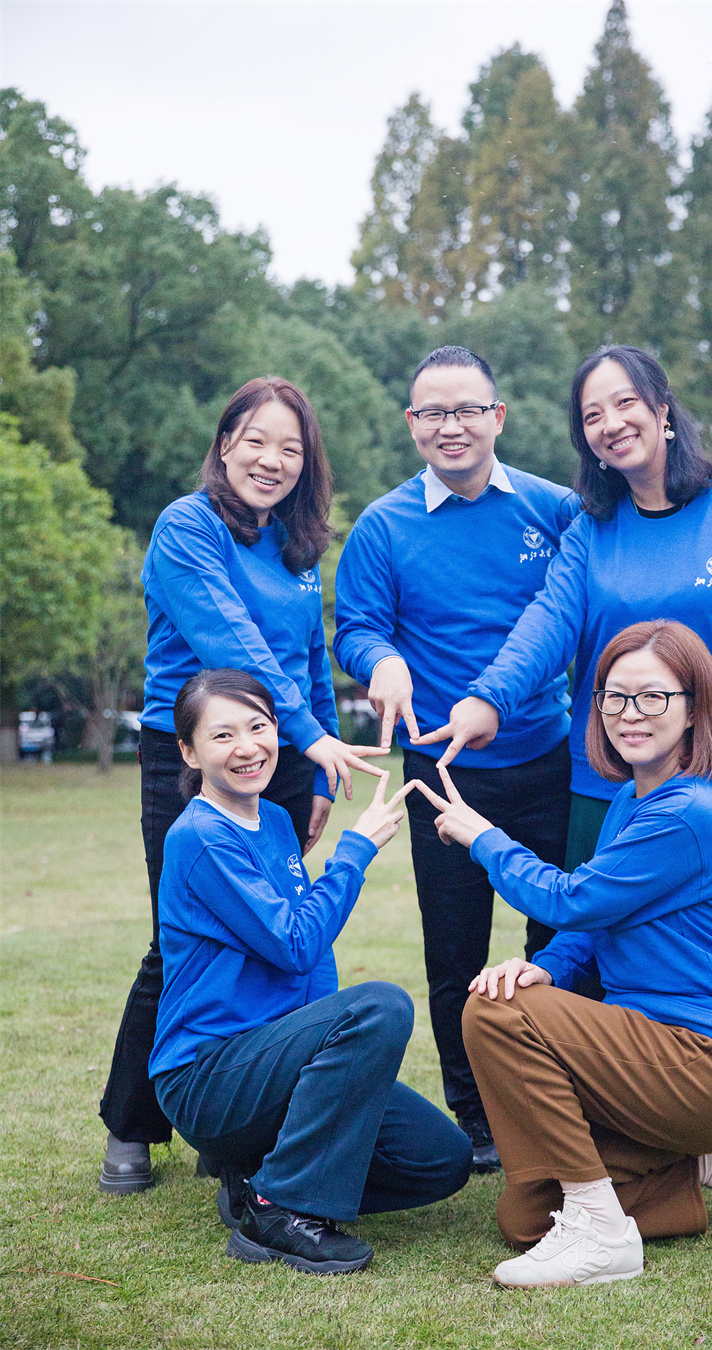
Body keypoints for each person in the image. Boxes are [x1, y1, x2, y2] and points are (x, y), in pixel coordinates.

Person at [421, 345, 712, 1048]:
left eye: (625, 403)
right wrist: (489, 699)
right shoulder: (590, 530)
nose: (611, 423)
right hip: (607, 787)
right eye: (592, 415)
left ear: (663, 411)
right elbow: (547, 624)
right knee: (596, 966)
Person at [413, 621, 712, 1288]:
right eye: (614, 696)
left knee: (496, 1012)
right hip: (648, 1053)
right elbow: (594, 922)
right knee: (527, 1215)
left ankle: (605, 1236)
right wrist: (545, 967)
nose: (629, 713)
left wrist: (485, 838)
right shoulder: (630, 799)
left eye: (653, 697)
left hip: (709, 1060)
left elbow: (573, 900)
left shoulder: (689, 811)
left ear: (694, 707)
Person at [99, 377, 386, 1194]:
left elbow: (307, 656)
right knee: (183, 937)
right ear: (225, 445)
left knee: (279, 931)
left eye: (291, 448)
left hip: (284, 752)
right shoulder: (188, 528)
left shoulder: (296, 544)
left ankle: (247, 1124)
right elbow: (234, 647)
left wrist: (317, 761)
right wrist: (312, 734)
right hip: (196, 751)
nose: (271, 460)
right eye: (256, 440)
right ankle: (132, 1125)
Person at [333, 346, 580, 1171]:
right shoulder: (383, 526)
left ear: (497, 417)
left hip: (549, 760)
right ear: (412, 424)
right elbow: (356, 627)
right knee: (454, 952)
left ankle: (561, 1093)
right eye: (433, 412)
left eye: (467, 409)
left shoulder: (554, 508)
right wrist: (380, 660)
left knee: (559, 935)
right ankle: (475, 1120)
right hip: (440, 777)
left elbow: (580, 615)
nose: (451, 426)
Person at [149, 668, 471, 1274]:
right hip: (208, 1076)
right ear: (189, 752)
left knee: (441, 1160)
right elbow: (295, 942)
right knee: (380, 1006)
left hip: (275, 1064)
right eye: (222, 735)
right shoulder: (200, 836)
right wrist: (356, 851)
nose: (247, 747)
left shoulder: (274, 821)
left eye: (258, 727)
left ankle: (258, 1177)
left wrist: (317, 1039)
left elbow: (311, 959)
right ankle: (279, 1208)